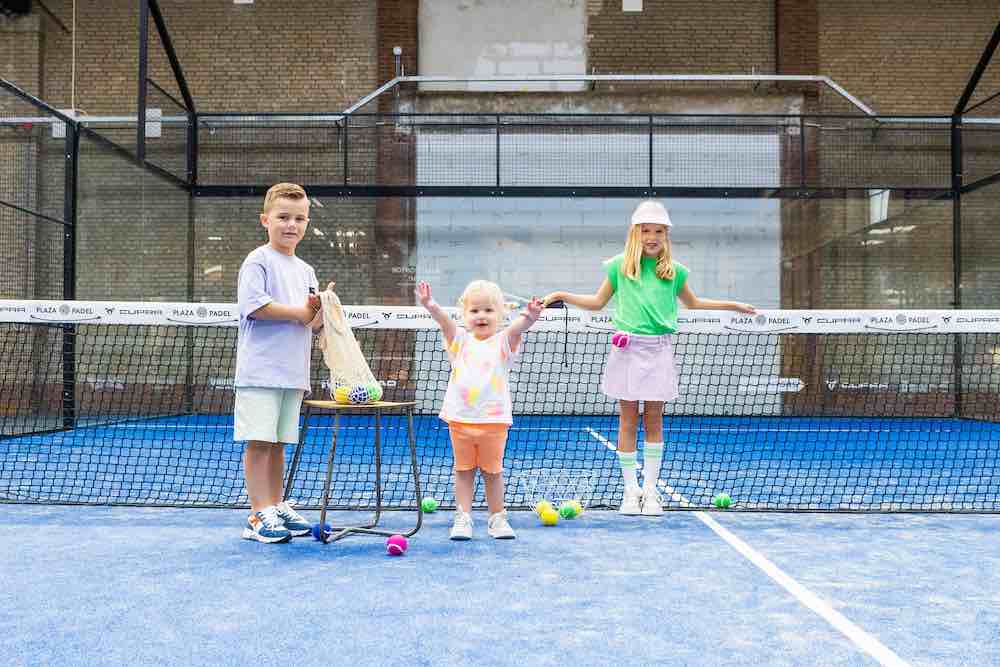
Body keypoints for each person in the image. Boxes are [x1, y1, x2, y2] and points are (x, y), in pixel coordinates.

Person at [544, 200, 755, 516]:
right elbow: (597, 302)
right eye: (646, 231)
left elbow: (694, 304)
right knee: (628, 419)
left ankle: (651, 492)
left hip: (659, 350)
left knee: (654, 419)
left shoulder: (675, 272)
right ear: (635, 233)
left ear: (666, 235)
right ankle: (631, 491)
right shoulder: (619, 267)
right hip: (626, 349)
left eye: (658, 231)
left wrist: (732, 305)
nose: (652, 237)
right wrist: (561, 294)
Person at [416, 279, 544, 540]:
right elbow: (445, 323)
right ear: (465, 315)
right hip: (460, 421)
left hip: (494, 422)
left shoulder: (503, 342)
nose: (481, 316)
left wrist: (529, 317)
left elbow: (518, 328)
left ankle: (497, 518)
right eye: (474, 311)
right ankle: (463, 518)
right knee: (463, 471)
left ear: (501, 315)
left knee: (493, 473)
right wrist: (431, 305)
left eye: (488, 310)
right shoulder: (459, 340)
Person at [234, 182, 326, 543]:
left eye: (299, 218)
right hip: (260, 371)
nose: (292, 225)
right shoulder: (258, 260)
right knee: (259, 441)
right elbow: (255, 307)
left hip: (293, 373)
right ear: (265, 220)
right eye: (284, 217)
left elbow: (311, 321)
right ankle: (258, 515)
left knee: (277, 444)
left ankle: (275, 504)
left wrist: (324, 311)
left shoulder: (305, 269)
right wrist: (304, 311)